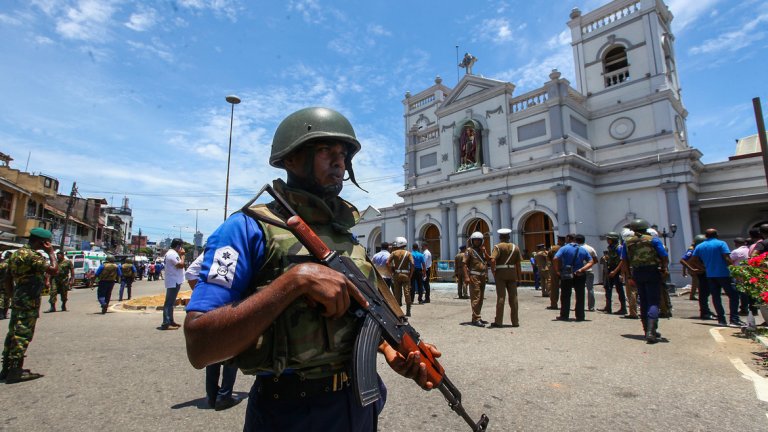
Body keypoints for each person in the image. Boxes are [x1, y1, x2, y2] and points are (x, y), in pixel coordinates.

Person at [183, 107, 440, 431]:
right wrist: (294, 281)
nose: (339, 162)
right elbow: (200, 345)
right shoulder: (246, 229)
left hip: (358, 406)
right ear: (290, 158)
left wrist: (389, 348)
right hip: (289, 413)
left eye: (343, 155)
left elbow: (358, 315)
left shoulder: (345, 237)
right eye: (325, 151)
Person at [1, 227, 58, 383]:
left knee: (13, 332)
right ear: (42, 242)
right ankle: (15, 371)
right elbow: (54, 270)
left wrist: (12, 295)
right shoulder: (33, 256)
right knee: (23, 334)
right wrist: (51, 253)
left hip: (18, 298)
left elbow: (7, 278)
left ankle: (6, 369)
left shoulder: (15, 255)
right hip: (29, 300)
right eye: (47, 242)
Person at [185, 254, 239, 410]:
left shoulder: (211, 252)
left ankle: (212, 395)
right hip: (229, 306)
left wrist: (202, 296)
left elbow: (191, 272)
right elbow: (190, 273)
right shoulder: (232, 249)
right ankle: (224, 396)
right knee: (231, 352)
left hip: (211, 308)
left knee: (214, 352)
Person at [621, 219, 669, 343]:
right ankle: (651, 331)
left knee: (643, 301)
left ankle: (646, 329)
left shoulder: (627, 242)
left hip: (637, 272)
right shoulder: (653, 240)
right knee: (653, 301)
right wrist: (664, 268)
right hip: (652, 271)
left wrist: (628, 276)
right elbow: (664, 256)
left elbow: (624, 261)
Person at [690, 228, 742, 327]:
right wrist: (735, 270)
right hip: (724, 273)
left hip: (710, 275)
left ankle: (721, 320)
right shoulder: (721, 244)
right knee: (733, 296)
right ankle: (734, 319)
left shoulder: (700, 246)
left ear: (706, 236)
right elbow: (726, 258)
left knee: (716, 297)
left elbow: (693, 260)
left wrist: (703, 267)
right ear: (717, 235)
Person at [554, 234, 593, 322]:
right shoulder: (582, 249)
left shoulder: (564, 248)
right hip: (579, 274)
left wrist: (557, 271)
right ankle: (580, 316)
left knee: (565, 295)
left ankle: (564, 315)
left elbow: (555, 258)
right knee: (580, 295)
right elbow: (591, 261)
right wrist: (582, 269)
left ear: (568, 239)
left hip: (567, 274)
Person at [489, 229, 522, 328]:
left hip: (501, 273)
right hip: (512, 273)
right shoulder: (515, 247)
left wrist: (493, 271)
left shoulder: (498, 247)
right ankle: (515, 321)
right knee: (514, 297)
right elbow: (518, 264)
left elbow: (492, 259)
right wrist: (519, 278)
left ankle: (499, 321)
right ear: (508, 237)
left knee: (501, 297)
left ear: (500, 237)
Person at [464, 231, 490, 327]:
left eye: (479, 240)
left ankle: (477, 316)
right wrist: (466, 277)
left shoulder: (482, 251)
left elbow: (489, 260)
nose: (477, 242)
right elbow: (464, 264)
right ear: (472, 241)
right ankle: (476, 318)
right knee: (476, 297)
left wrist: (484, 252)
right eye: (475, 240)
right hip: (474, 276)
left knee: (481, 297)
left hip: (482, 276)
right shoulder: (469, 250)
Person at [160, 239, 185, 330]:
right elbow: (181, 265)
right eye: (181, 246)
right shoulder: (173, 254)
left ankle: (170, 321)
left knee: (171, 303)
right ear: (178, 246)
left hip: (174, 280)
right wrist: (182, 255)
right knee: (169, 303)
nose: (181, 248)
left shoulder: (171, 253)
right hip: (173, 281)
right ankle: (166, 323)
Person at [601, 232, 627, 315]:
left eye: (609, 239)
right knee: (608, 288)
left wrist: (615, 271)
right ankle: (608, 307)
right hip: (610, 269)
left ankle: (623, 308)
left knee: (619, 289)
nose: (607, 240)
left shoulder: (619, 248)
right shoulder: (610, 248)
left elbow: (622, 261)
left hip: (617, 270)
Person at [387, 237, 414, 316]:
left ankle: (397, 311)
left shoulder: (394, 253)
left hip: (397, 274)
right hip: (406, 275)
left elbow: (387, 262)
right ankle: (408, 311)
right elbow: (412, 264)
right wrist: (410, 275)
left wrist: (391, 272)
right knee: (407, 292)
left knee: (397, 293)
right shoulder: (408, 253)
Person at [576, 236, 599, 311]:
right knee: (590, 289)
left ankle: (579, 306)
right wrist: (589, 265)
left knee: (579, 289)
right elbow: (596, 260)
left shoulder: (577, 249)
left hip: (579, 271)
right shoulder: (590, 248)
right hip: (589, 270)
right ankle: (591, 307)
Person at [547, 239, 564, 310]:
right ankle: (565, 305)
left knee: (554, 287)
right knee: (565, 287)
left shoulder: (554, 248)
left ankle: (554, 304)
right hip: (565, 268)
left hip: (554, 268)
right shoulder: (567, 247)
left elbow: (549, 257)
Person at [0, 252, 8, 320]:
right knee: (5, 299)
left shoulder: (3, 264)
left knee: (2, 298)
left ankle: (2, 314)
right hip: (6, 284)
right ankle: (4, 314)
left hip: (3, 284)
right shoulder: (5, 264)